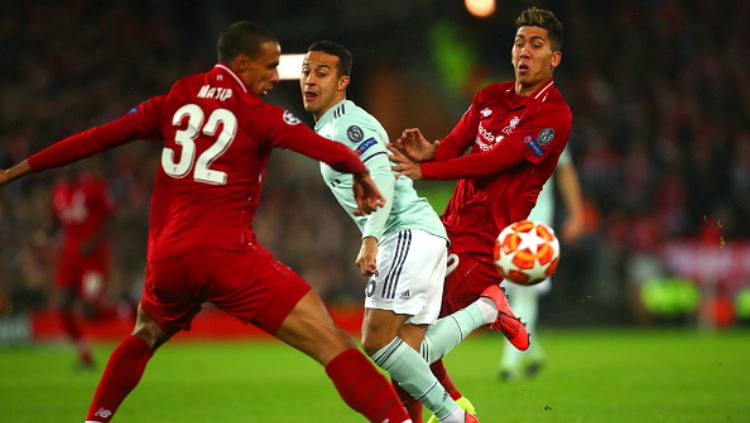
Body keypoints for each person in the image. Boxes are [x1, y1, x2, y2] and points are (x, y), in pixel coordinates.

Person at [0, 21, 415, 423]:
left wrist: (14, 172)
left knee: (143, 334)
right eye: (269, 66)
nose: (276, 76)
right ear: (240, 63)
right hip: (227, 257)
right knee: (332, 342)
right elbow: (323, 148)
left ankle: (95, 420)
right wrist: (359, 171)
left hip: (167, 260)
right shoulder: (255, 113)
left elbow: (94, 138)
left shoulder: (173, 100)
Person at [388, 7, 572, 421]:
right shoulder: (489, 97)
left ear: (554, 58)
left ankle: (489, 308)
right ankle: (455, 406)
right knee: (405, 330)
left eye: (536, 45)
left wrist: (426, 171)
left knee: (404, 345)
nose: (524, 51)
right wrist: (429, 151)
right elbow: (455, 146)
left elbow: (496, 161)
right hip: (447, 226)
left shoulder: (554, 116)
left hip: (488, 241)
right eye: (519, 42)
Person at [300, 40, 495, 423]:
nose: (309, 80)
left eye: (321, 73)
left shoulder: (348, 124)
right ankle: (486, 309)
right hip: (418, 233)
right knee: (408, 354)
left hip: (404, 231)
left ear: (342, 83)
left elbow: (382, 176)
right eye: (306, 71)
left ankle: (456, 417)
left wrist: (370, 237)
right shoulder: (329, 128)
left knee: (375, 340)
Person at [498, 147, 584, 381]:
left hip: (535, 227)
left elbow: (565, 170)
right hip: (502, 221)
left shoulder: (550, 123)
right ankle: (533, 352)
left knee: (526, 291)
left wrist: (576, 215)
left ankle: (509, 363)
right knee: (502, 295)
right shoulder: (497, 122)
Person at [50, 163, 115, 369]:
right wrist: (46, 236)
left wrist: (93, 241)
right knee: (62, 306)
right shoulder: (59, 190)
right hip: (70, 258)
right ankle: (85, 356)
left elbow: (111, 218)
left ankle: (127, 310)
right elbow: (55, 220)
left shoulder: (93, 187)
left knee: (89, 310)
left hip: (93, 259)